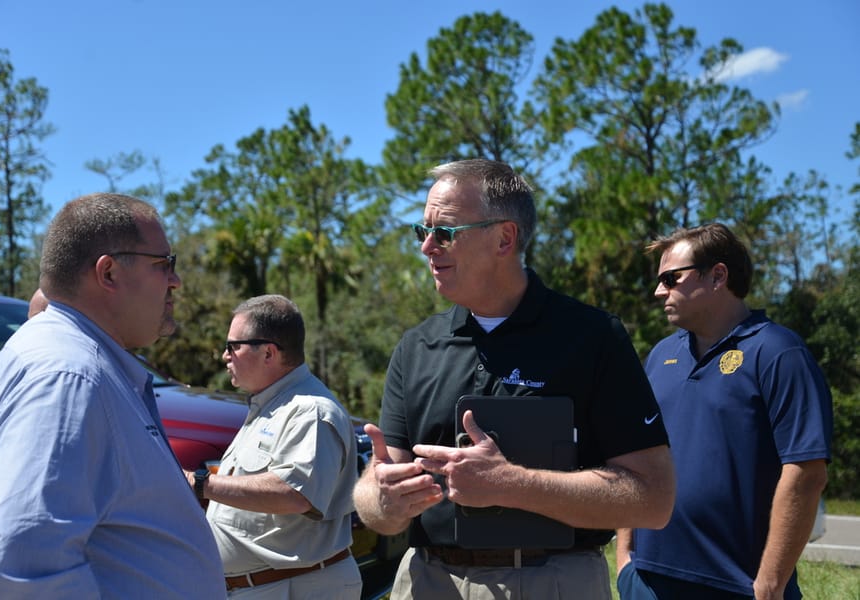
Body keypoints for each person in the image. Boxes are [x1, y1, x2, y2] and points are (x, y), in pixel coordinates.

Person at [352, 159, 676, 600]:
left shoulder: (592, 338)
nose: (427, 247)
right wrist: (382, 501)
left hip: (550, 581)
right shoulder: (416, 347)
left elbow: (653, 499)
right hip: (427, 581)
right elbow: (380, 488)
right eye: (421, 231)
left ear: (504, 237)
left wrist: (511, 484)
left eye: (444, 232)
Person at [0, 193, 226, 598]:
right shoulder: (66, 376)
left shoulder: (68, 363)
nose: (176, 281)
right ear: (109, 273)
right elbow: (22, 568)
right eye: (164, 264)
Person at [616, 223, 832, 600]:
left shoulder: (779, 352)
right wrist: (625, 559)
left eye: (671, 278)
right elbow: (636, 458)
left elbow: (806, 473)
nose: (658, 291)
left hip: (737, 586)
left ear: (718, 275)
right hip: (648, 580)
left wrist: (770, 582)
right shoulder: (661, 356)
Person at [184, 295, 362, 599]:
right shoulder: (271, 404)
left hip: (296, 588)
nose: (225, 356)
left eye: (233, 346)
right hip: (269, 587)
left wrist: (200, 484)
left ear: (269, 352)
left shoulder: (310, 412)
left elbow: (293, 494)